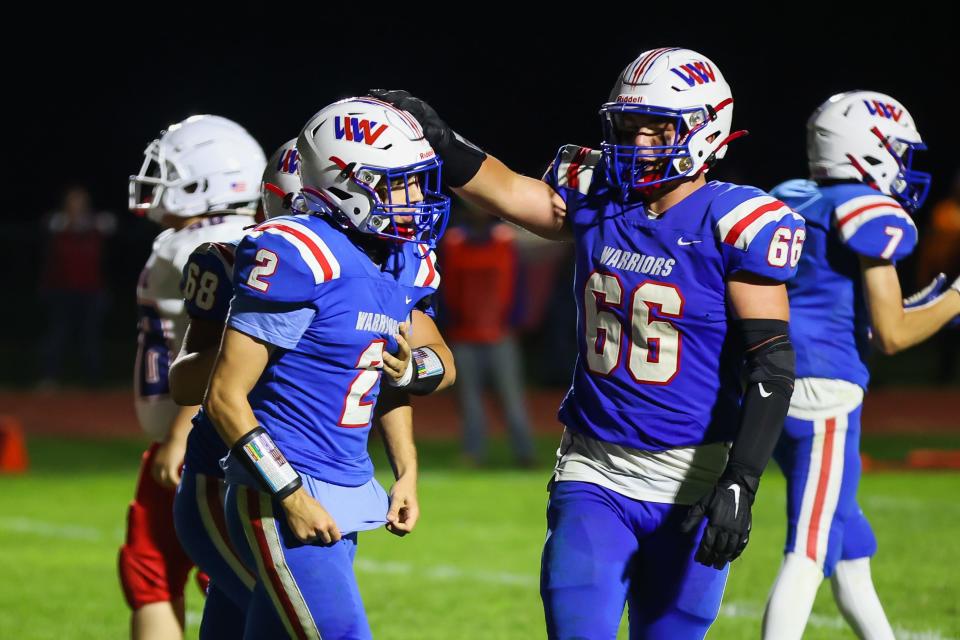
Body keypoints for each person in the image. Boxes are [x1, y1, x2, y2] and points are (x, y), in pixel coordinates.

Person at [372, 46, 803, 639]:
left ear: (707, 132)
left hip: (695, 479)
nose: (640, 142)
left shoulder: (735, 219)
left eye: (659, 128)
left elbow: (771, 363)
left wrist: (742, 478)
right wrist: (442, 140)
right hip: (594, 470)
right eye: (630, 126)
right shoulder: (598, 191)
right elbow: (505, 190)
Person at [203, 97, 454, 638]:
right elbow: (224, 396)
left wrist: (406, 471)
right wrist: (290, 495)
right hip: (284, 488)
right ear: (346, 184)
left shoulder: (397, 259)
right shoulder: (301, 253)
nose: (417, 198)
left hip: (346, 484)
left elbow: (389, 375)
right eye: (400, 183)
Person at [762, 91, 960, 640]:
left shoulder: (794, 196)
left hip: (768, 381)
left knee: (848, 543)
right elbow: (892, 334)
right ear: (867, 150)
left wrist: (935, 302)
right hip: (824, 389)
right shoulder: (869, 209)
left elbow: (857, 309)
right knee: (809, 550)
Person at [120, 115, 266, 639]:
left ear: (205, 181)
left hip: (201, 435)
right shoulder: (255, 240)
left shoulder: (192, 250)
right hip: (220, 432)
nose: (154, 180)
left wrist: (179, 433)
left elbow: (220, 348)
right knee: (162, 568)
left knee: (182, 573)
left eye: (167, 170)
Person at [440, 206, 536, 466]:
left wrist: (515, 322)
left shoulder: (506, 241)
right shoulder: (453, 242)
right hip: (463, 334)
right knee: (469, 401)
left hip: (499, 333)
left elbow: (519, 285)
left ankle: (524, 453)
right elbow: (444, 287)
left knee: (512, 398)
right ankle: (473, 453)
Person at [37, 185, 115, 387]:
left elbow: (109, 224)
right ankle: (49, 378)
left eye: (81, 201)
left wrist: (87, 222)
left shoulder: (99, 223)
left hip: (92, 290)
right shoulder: (57, 223)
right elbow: (54, 224)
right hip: (60, 290)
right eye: (73, 201)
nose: (77, 205)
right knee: (57, 336)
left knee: (91, 337)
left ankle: (94, 382)